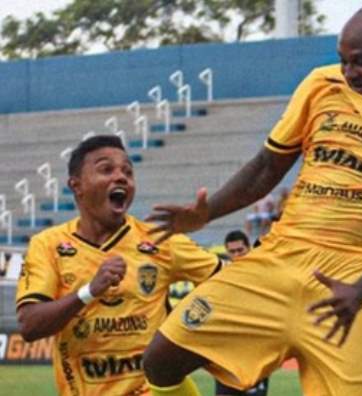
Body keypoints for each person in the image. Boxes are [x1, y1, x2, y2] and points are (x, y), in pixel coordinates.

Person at [143, 5, 362, 396]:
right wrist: (207, 213)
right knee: (160, 361)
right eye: (344, 61)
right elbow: (266, 167)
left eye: (361, 63)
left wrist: (361, 290)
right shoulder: (320, 85)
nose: (349, 73)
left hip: (347, 282)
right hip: (278, 260)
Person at [16, 135, 223, 396]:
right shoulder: (49, 245)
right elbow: (30, 326)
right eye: (106, 169)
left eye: (128, 171)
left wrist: (193, 326)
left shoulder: (161, 241)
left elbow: (233, 282)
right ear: (76, 185)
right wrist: (89, 291)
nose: (121, 177)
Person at [215, 230, 269, 396]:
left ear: (249, 249)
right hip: (227, 351)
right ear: (227, 253)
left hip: (256, 348)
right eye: (232, 252)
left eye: (240, 250)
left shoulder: (263, 275)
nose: (237, 255)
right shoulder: (220, 277)